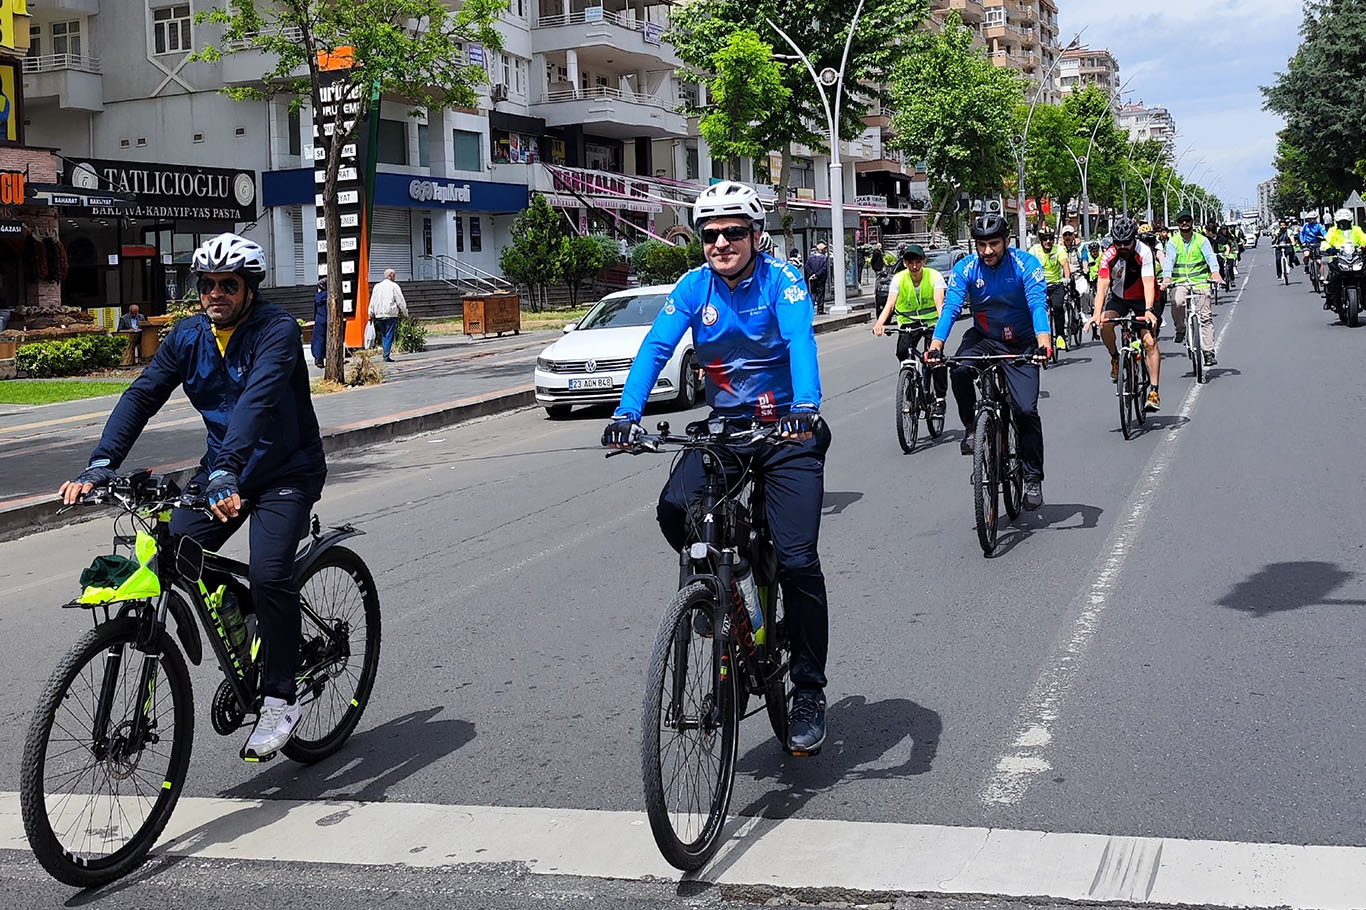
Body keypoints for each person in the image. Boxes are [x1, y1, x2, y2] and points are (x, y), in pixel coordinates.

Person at [58, 233, 326, 762]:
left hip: (283, 473)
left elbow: (255, 403)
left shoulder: (275, 332)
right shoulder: (187, 337)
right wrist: (101, 463)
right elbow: (142, 395)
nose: (216, 294)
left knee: (271, 571)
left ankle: (279, 697)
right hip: (223, 472)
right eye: (207, 285)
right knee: (176, 548)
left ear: (250, 288)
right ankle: (248, 616)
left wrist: (228, 470)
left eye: (229, 285)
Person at [601, 180, 832, 756]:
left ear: (756, 236)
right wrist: (627, 414)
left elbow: (801, 341)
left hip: (786, 430)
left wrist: (805, 406)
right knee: (674, 507)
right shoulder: (692, 288)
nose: (720, 242)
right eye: (710, 234)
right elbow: (657, 349)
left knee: (800, 558)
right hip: (728, 430)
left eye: (733, 232)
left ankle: (807, 689)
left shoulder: (785, 281)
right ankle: (724, 593)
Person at [924, 213, 1050, 510]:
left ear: (1007, 241)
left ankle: (1032, 476)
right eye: (981, 245)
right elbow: (952, 307)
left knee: (1026, 410)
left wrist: (1044, 340)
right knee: (959, 372)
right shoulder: (965, 268)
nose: (988, 251)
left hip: (1022, 342)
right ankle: (972, 428)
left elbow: (1037, 303)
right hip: (984, 338)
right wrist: (936, 345)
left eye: (994, 243)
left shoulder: (1025, 265)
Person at [1088, 215, 1162, 411]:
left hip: (1141, 299)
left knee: (1149, 342)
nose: (1122, 247)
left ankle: (1154, 391)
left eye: (1126, 243)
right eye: (1118, 243)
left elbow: (1148, 283)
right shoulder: (1108, 255)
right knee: (1104, 323)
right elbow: (1102, 285)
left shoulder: (1144, 252)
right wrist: (1096, 314)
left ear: (1134, 239)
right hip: (1119, 298)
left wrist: (1148, 310)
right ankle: (1115, 357)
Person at [872, 244, 948, 413]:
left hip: (932, 322)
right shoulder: (899, 279)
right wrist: (879, 324)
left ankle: (940, 399)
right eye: (910, 262)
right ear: (905, 263)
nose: (914, 266)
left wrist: (942, 327)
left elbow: (940, 304)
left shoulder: (934, 277)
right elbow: (890, 304)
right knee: (902, 351)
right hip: (908, 323)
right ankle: (910, 380)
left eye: (918, 262)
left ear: (924, 262)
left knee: (935, 359)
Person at [1163, 210, 1222, 365]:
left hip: (1200, 281)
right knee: (1177, 301)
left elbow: (1210, 257)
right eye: (1181, 221)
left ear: (1192, 222)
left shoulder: (1202, 240)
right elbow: (1169, 261)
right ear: (1177, 224)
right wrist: (1167, 278)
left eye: (1187, 220)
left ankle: (1208, 351)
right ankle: (1180, 329)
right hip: (1180, 282)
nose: (1184, 223)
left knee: (1205, 317)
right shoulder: (1173, 242)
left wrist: (1215, 272)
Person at [1028, 227, 1072, 350]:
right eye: (1045, 239)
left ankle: (1060, 337)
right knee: (1034, 309)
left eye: (1051, 239)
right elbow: (1028, 267)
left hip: (1056, 284)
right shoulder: (1034, 251)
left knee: (1058, 307)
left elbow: (1065, 264)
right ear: (1040, 240)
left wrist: (1067, 278)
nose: (1048, 241)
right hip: (1039, 285)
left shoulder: (1059, 249)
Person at [1320, 208, 1366, 310]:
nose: (1343, 224)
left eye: (1346, 222)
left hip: (1355, 257)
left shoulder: (1356, 230)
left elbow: (1364, 238)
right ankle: (1330, 300)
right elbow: (1325, 241)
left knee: (1364, 274)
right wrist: (1328, 248)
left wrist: (1364, 246)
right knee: (1332, 278)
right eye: (1341, 222)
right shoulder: (1333, 231)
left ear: (1350, 221)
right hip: (1338, 258)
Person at [368, 268, 409, 362]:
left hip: (379, 314)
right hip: (390, 314)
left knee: (384, 334)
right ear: (391, 276)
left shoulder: (377, 286)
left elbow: (373, 300)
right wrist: (405, 313)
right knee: (389, 334)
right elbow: (400, 301)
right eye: (394, 275)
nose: (395, 277)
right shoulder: (394, 286)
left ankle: (385, 352)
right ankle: (386, 355)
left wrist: (370, 312)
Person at [805, 241, 831, 315]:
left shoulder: (810, 258)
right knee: (820, 294)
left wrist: (812, 274)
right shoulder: (824, 258)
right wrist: (817, 275)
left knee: (813, 293)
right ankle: (820, 310)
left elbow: (807, 266)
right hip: (820, 278)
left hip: (812, 278)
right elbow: (824, 268)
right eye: (824, 249)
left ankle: (811, 308)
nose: (825, 250)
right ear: (821, 250)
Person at [311, 278, 328, 369]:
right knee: (327, 339)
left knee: (318, 339)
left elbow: (315, 310)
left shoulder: (317, 296)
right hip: (327, 319)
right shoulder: (329, 295)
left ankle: (318, 359)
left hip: (319, 319)